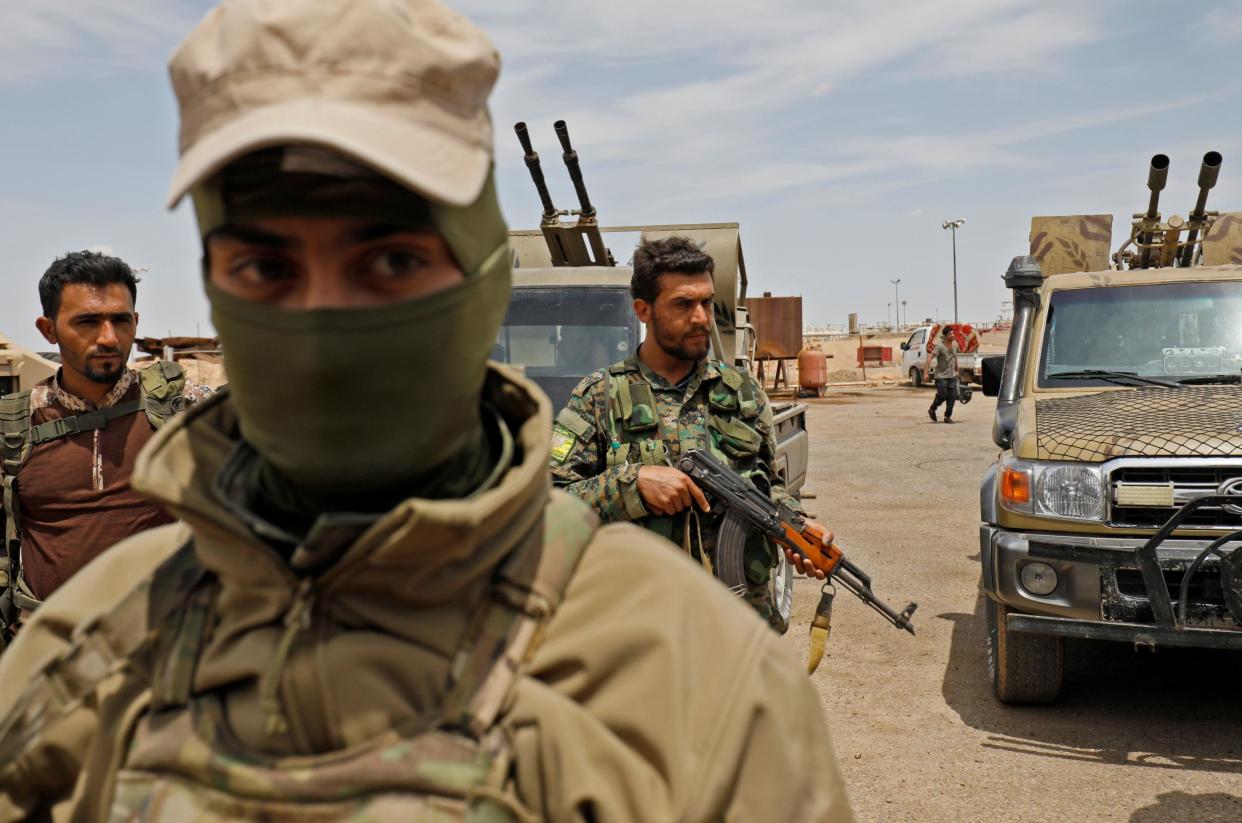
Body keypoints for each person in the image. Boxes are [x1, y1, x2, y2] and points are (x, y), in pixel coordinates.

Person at [0, 2, 853, 820]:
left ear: (479, 287)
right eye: (266, 268)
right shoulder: (86, 652)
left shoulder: (696, 687)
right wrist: (633, 481)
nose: (325, 325)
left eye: (394, 259)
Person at [550, 236, 830, 633]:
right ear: (643, 311)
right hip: (639, 632)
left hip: (740, 628)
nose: (701, 317)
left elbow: (769, 484)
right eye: (683, 304)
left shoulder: (741, 391)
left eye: (706, 302)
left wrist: (795, 525)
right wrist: (633, 485)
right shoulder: (599, 396)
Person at [0, 251, 211, 641]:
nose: (109, 337)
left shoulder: (184, 408)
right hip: (46, 652)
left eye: (120, 320)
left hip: (158, 646)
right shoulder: (15, 425)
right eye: (88, 322)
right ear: (48, 330)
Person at [926, 325, 960, 423]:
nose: (952, 335)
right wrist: (925, 372)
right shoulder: (940, 347)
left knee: (952, 397)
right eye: (950, 334)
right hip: (941, 376)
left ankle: (947, 417)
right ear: (945, 336)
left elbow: (955, 357)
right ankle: (932, 409)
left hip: (952, 376)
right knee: (943, 395)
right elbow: (929, 357)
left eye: (953, 333)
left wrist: (957, 370)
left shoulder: (955, 344)